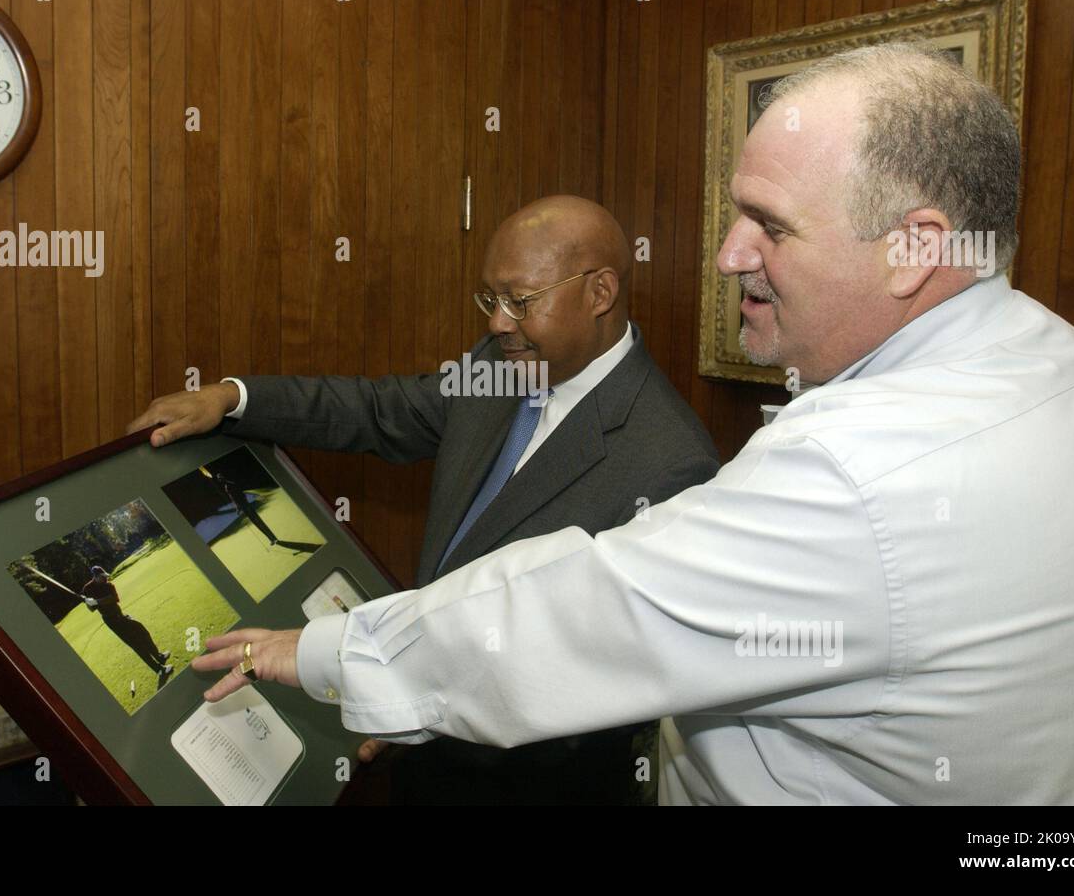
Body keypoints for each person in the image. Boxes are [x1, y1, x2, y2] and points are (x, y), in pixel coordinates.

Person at [189, 43, 1074, 805]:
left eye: (771, 224)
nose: (729, 254)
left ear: (915, 248)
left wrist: (324, 651)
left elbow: (581, 613)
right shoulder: (1065, 362)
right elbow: (388, 411)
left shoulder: (854, 468)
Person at [127, 195, 720, 804]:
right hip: (419, 757)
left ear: (600, 293)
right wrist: (234, 397)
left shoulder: (671, 463)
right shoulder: (503, 361)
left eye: (521, 300)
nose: (497, 323)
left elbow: (594, 680)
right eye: (491, 299)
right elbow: (386, 411)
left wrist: (406, 694)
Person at [80, 566, 175, 690]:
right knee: (136, 644)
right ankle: (159, 670)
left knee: (142, 631)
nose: (105, 579)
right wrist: (87, 602)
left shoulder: (109, 585)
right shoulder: (87, 589)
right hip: (112, 622)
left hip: (121, 616)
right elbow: (92, 609)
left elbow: (114, 598)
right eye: (103, 577)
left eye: (105, 576)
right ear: (96, 577)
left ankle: (159, 656)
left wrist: (97, 601)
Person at [208, 469, 319, 555]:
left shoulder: (229, 485)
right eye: (219, 478)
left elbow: (237, 497)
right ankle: (272, 538)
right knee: (258, 523)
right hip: (246, 506)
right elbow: (237, 497)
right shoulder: (229, 485)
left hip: (246, 507)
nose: (220, 479)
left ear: (222, 478)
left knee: (258, 523)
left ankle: (272, 538)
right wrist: (240, 506)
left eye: (220, 477)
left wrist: (240, 507)